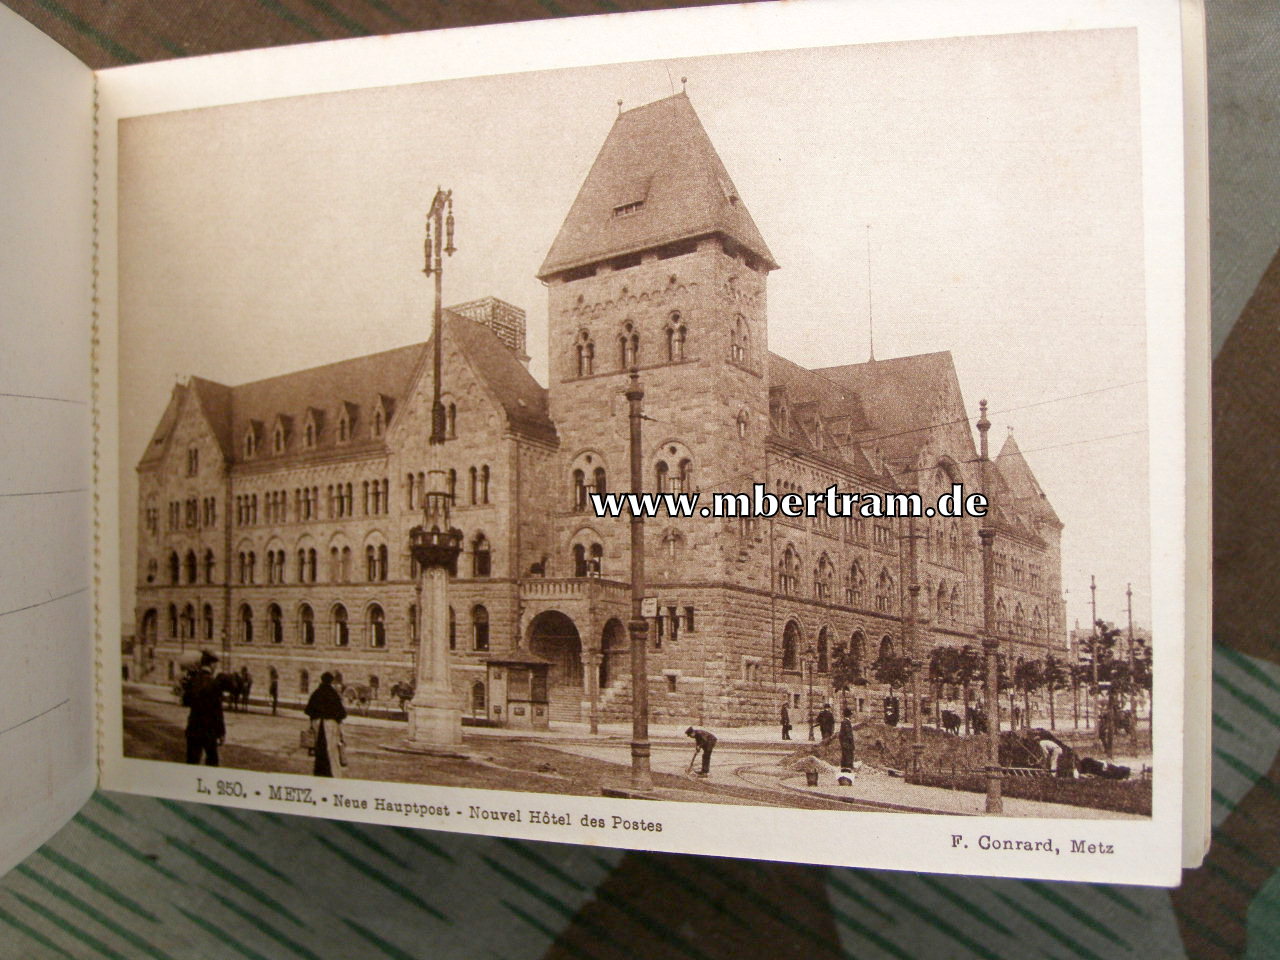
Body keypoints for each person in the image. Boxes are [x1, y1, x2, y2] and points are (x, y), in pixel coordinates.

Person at [183, 650, 225, 766]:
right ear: (211, 664)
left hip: (193, 729)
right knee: (212, 761)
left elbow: (186, 702)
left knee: (191, 762)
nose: (216, 667)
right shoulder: (214, 683)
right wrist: (221, 733)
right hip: (208, 730)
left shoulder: (193, 680)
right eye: (215, 664)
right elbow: (218, 711)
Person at [305, 672, 348, 777]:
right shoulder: (333, 694)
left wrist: (315, 718)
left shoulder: (317, 693)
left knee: (319, 749)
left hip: (318, 725)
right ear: (331, 681)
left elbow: (308, 710)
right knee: (332, 750)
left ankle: (319, 772)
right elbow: (342, 713)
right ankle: (333, 774)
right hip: (330, 725)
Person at [838, 708, 856, 785]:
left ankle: (845, 775)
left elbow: (840, 735)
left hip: (844, 744)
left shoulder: (844, 722)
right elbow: (849, 735)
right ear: (849, 715)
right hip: (847, 744)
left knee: (845, 758)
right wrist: (852, 744)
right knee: (848, 759)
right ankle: (847, 777)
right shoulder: (846, 722)